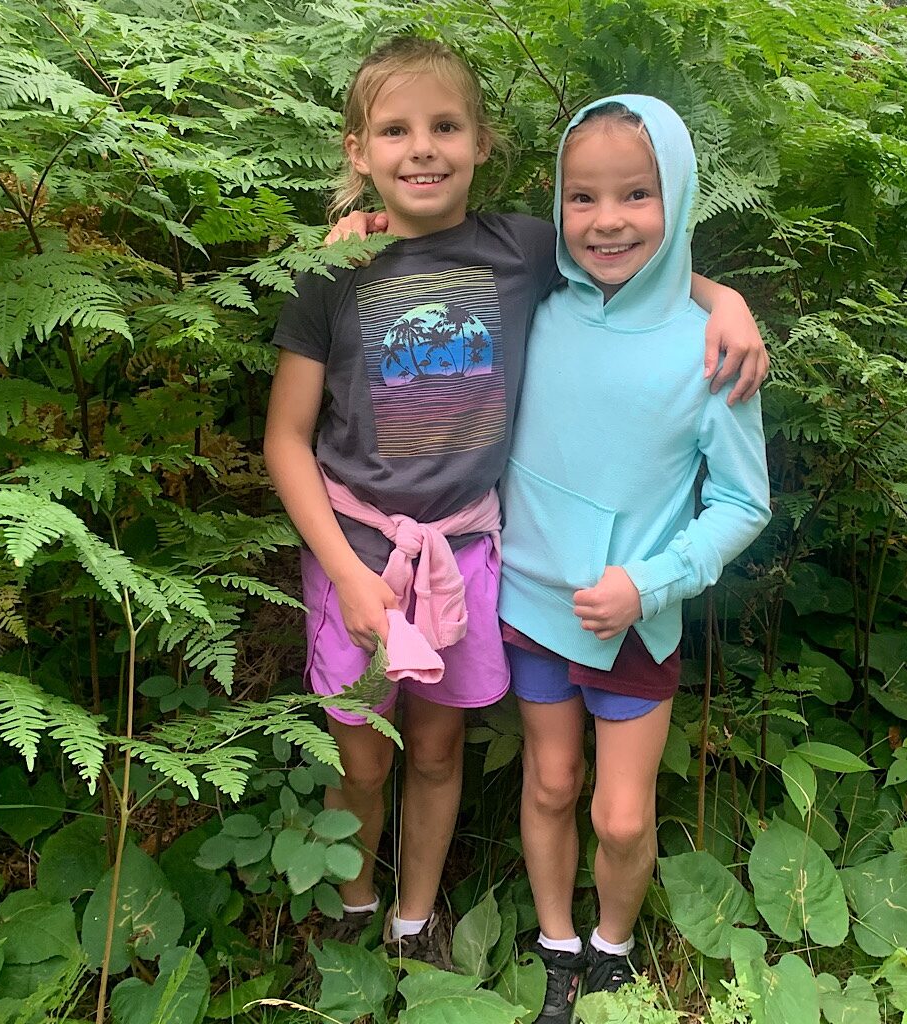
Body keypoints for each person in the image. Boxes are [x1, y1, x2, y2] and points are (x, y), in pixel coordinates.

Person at [265, 37, 767, 970]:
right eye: (397, 130)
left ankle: (414, 920)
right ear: (358, 149)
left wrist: (724, 297)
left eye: (445, 126)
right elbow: (285, 438)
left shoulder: (521, 250)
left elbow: (626, 268)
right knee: (363, 758)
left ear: (483, 142)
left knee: (440, 750)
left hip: (461, 557)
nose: (423, 148)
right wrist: (348, 575)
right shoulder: (334, 274)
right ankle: (353, 899)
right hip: (356, 557)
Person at [497, 95, 771, 1021]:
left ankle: (612, 947)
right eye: (582, 197)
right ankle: (556, 947)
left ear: (681, 198)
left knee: (619, 814)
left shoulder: (712, 350)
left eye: (637, 195)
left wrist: (647, 582)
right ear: (559, 203)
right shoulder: (536, 306)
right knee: (548, 781)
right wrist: (371, 222)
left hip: (637, 622)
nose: (606, 219)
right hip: (529, 603)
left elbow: (744, 503)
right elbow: (442, 253)